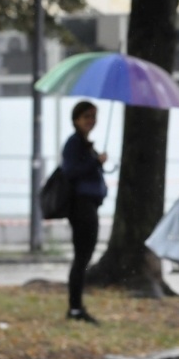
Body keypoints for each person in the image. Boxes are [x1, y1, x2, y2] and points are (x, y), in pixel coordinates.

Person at [60, 101, 108, 325]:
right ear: (76, 118)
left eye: (94, 116)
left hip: (89, 205)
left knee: (84, 257)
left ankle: (77, 305)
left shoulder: (84, 144)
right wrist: (95, 162)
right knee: (82, 257)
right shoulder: (74, 144)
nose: (91, 121)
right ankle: (75, 307)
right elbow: (71, 171)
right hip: (81, 207)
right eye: (87, 116)